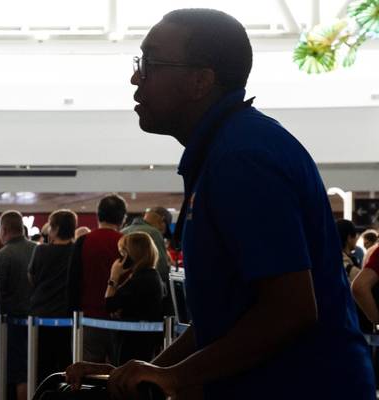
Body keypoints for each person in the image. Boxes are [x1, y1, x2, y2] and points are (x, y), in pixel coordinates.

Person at [66, 9, 374, 399]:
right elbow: (227, 317)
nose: (135, 77)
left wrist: (175, 378)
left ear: (200, 81)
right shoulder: (223, 150)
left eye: (150, 63)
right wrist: (145, 372)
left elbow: (290, 309)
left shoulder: (241, 158)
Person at [68, 194, 127, 364]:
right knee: (118, 374)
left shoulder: (83, 241)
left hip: (88, 320)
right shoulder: (125, 243)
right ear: (123, 218)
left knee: (87, 375)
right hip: (119, 322)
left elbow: (73, 282)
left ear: (98, 215)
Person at [27, 209, 78, 384]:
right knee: (66, 364)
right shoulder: (76, 251)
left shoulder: (41, 251)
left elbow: (31, 277)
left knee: (42, 367)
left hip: (41, 316)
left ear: (54, 228)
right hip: (69, 317)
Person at [0, 211, 37, 400]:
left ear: (3, 230)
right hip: (37, 321)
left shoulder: (3, 255)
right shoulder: (38, 249)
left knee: (18, 374)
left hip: (12, 322)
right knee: (32, 371)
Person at [105, 232, 166, 366]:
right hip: (142, 341)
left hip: (133, 343)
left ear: (131, 255)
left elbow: (109, 304)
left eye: (122, 253)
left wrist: (113, 277)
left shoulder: (141, 279)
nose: (121, 259)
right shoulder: (150, 275)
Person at [121, 207, 174, 289]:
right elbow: (162, 270)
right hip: (147, 289)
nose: (162, 234)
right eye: (164, 231)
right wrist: (174, 270)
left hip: (124, 288)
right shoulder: (154, 233)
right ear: (162, 221)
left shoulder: (122, 232)